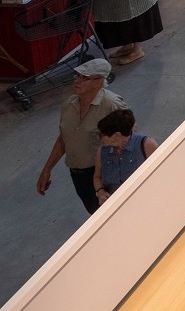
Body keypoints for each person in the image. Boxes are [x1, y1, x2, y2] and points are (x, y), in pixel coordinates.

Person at [36, 60, 127, 215]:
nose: (77, 81)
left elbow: (129, 136)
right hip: (78, 175)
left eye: (84, 78)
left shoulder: (111, 105)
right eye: (76, 76)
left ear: (98, 82)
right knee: (95, 214)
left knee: (116, 214)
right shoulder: (68, 105)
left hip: (104, 172)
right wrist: (46, 170)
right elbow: (64, 139)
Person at [92, 108, 159, 205]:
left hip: (146, 201)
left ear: (116, 136)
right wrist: (101, 191)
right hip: (115, 205)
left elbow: (161, 174)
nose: (100, 138)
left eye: (102, 135)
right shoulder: (102, 151)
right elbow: (97, 177)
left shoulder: (146, 145)